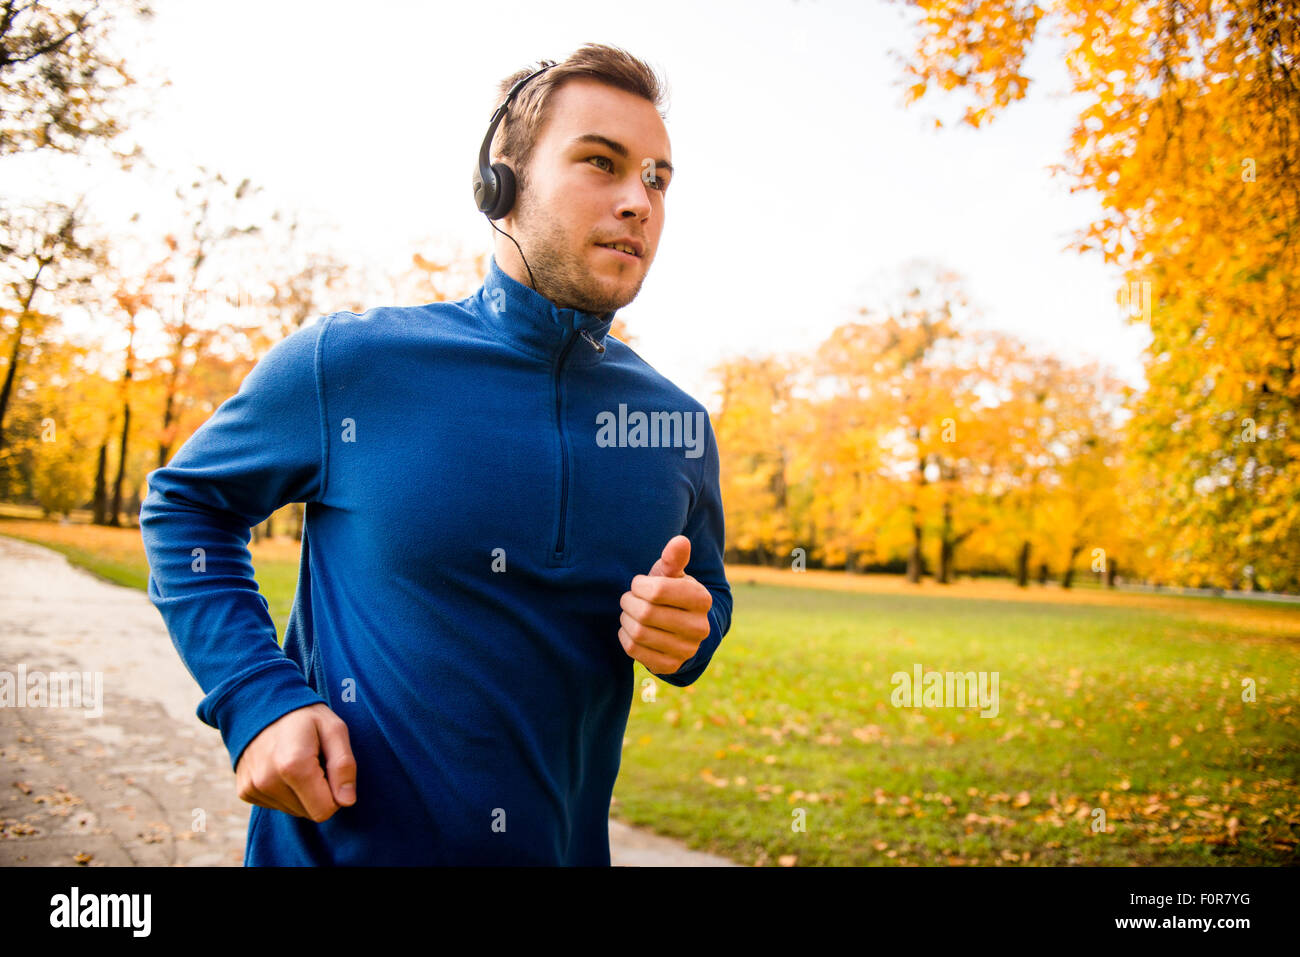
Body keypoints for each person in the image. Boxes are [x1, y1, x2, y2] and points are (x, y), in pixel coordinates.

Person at [138, 42, 732, 865]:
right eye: (602, 162)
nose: (639, 200)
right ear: (502, 182)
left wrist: (689, 631)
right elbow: (187, 505)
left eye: (658, 178)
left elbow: (706, 599)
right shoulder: (351, 363)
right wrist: (257, 698)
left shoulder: (677, 423)